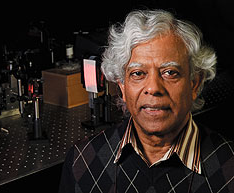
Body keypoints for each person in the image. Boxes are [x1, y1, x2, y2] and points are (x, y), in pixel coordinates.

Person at [58, 9, 234, 193]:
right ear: (122, 87)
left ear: (195, 84)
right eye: (138, 73)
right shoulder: (82, 161)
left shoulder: (229, 169)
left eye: (170, 72)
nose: (153, 88)